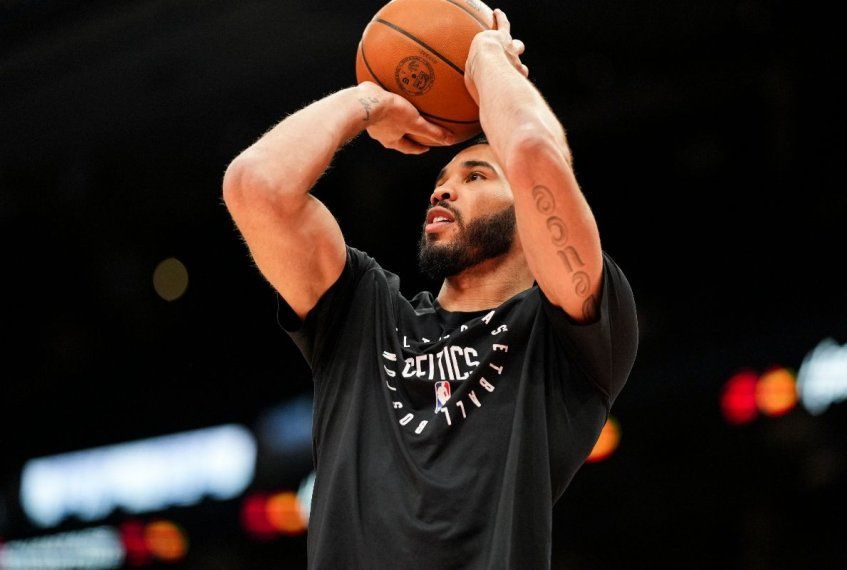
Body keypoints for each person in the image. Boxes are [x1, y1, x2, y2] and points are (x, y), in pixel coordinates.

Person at [223, 8, 638, 569]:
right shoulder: (363, 313)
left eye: (475, 177)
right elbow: (255, 186)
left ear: (531, 211)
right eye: (441, 181)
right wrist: (370, 102)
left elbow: (537, 156)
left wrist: (487, 60)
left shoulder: (563, 338)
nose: (442, 192)